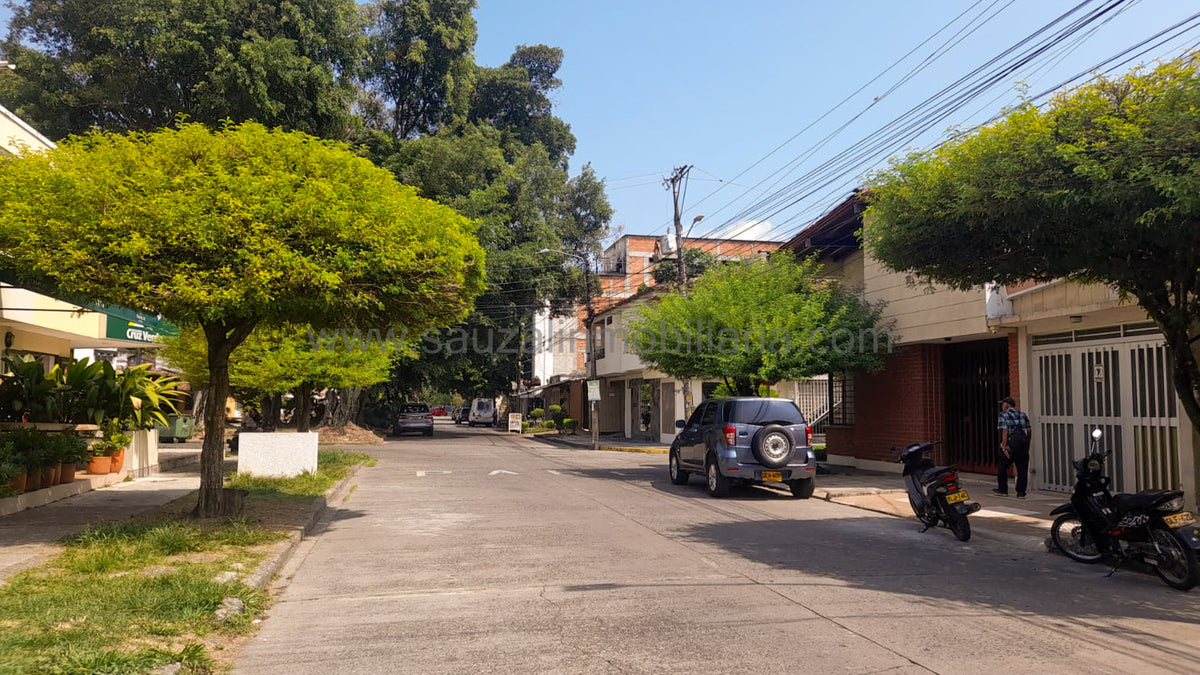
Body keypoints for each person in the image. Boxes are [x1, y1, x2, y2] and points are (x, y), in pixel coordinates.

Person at [994, 396, 1031, 498]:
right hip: (1023, 445)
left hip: (1011, 444)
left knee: (1002, 467)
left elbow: (1005, 431)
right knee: (1022, 469)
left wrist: (1004, 446)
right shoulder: (1022, 414)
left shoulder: (1003, 415)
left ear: (1007, 405)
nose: (1002, 406)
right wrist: (1027, 444)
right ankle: (1021, 492)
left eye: (1003, 404)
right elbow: (1029, 430)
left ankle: (1002, 490)